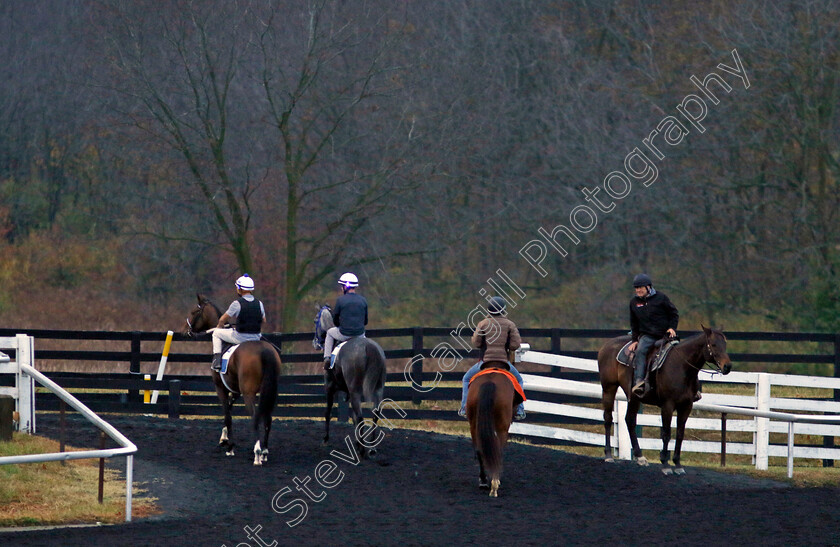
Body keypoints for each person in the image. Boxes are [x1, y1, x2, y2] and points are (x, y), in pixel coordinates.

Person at [458, 296, 526, 421]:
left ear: (488, 310)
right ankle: (520, 409)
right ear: (503, 310)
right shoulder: (510, 324)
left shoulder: (483, 324)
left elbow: (476, 343)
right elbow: (514, 345)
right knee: (519, 380)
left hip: (485, 362)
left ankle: (464, 408)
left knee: (466, 379)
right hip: (503, 363)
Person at [628, 273, 678, 397]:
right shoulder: (634, 303)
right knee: (640, 351)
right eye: (636, 287)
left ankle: (692, 386)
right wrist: (635, 340)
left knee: (681, 353)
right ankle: (639, 381)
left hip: (665, 335)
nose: (638, 290)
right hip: (648, 336)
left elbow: (674, 314)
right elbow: (633, 323)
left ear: (648, 287)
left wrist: (672, 328)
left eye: (641, 287)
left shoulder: (661, 298)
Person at [210, 274, 266, 372]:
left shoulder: (237, 303)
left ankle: (217, 361)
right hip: (257, 337)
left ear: (239, 289)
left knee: (216, 334)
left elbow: (222, 319)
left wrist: (219, 326)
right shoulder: (259, 303)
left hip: (240, 337)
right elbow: (263, 320)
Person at [323, 272, 368, 370]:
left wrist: (340, 325)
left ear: (345, 287)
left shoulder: (340, 300)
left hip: (344, 334)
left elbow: (335, 321)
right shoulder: (363, 300)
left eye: (342, 286)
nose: (341, 288)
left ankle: (327, 358)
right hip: (360, 335)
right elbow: (365, 322)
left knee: (330, 333)